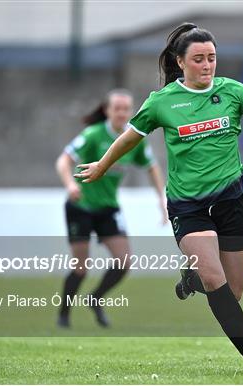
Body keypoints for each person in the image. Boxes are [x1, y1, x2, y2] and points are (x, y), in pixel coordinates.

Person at [74, 24, 243, 372]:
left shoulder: (233, 92)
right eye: (199, 59)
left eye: (212, 58)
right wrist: (102, 165)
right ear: (181, 62)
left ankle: (192, 278)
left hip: (229, 202)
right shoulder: (162, 102)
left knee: (232, 292)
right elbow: (131, 138)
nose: (207, 65)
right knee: (213, 279)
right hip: (188, 206)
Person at [56, 89, 167, 328]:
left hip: (108, 208)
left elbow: (152, 166)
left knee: (124, 261)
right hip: (81, 205)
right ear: (107, 110)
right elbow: (63, 160)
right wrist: (69, 184)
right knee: (81, 268)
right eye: (117, 108)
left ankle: (95, 298)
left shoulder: (133, 139)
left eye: (126, 109)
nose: (122, 113)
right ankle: (64, 314)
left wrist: (162, 199)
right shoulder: (93, 135)